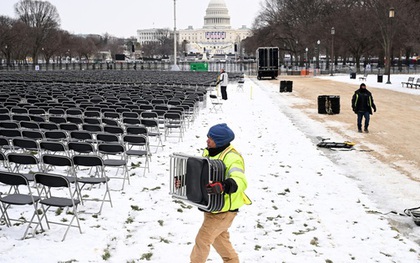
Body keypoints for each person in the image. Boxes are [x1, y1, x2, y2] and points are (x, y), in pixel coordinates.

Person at [190, 123, 251, 263]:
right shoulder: (208, 152)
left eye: (210, 138)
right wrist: (184, 182)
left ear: (219, 141)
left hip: (224, 210)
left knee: (202, 240)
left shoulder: (232, 157)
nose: (207, 140)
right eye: (208, 136)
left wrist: (223, 185)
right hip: (212, 206)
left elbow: (240, 180)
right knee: (220, 240)